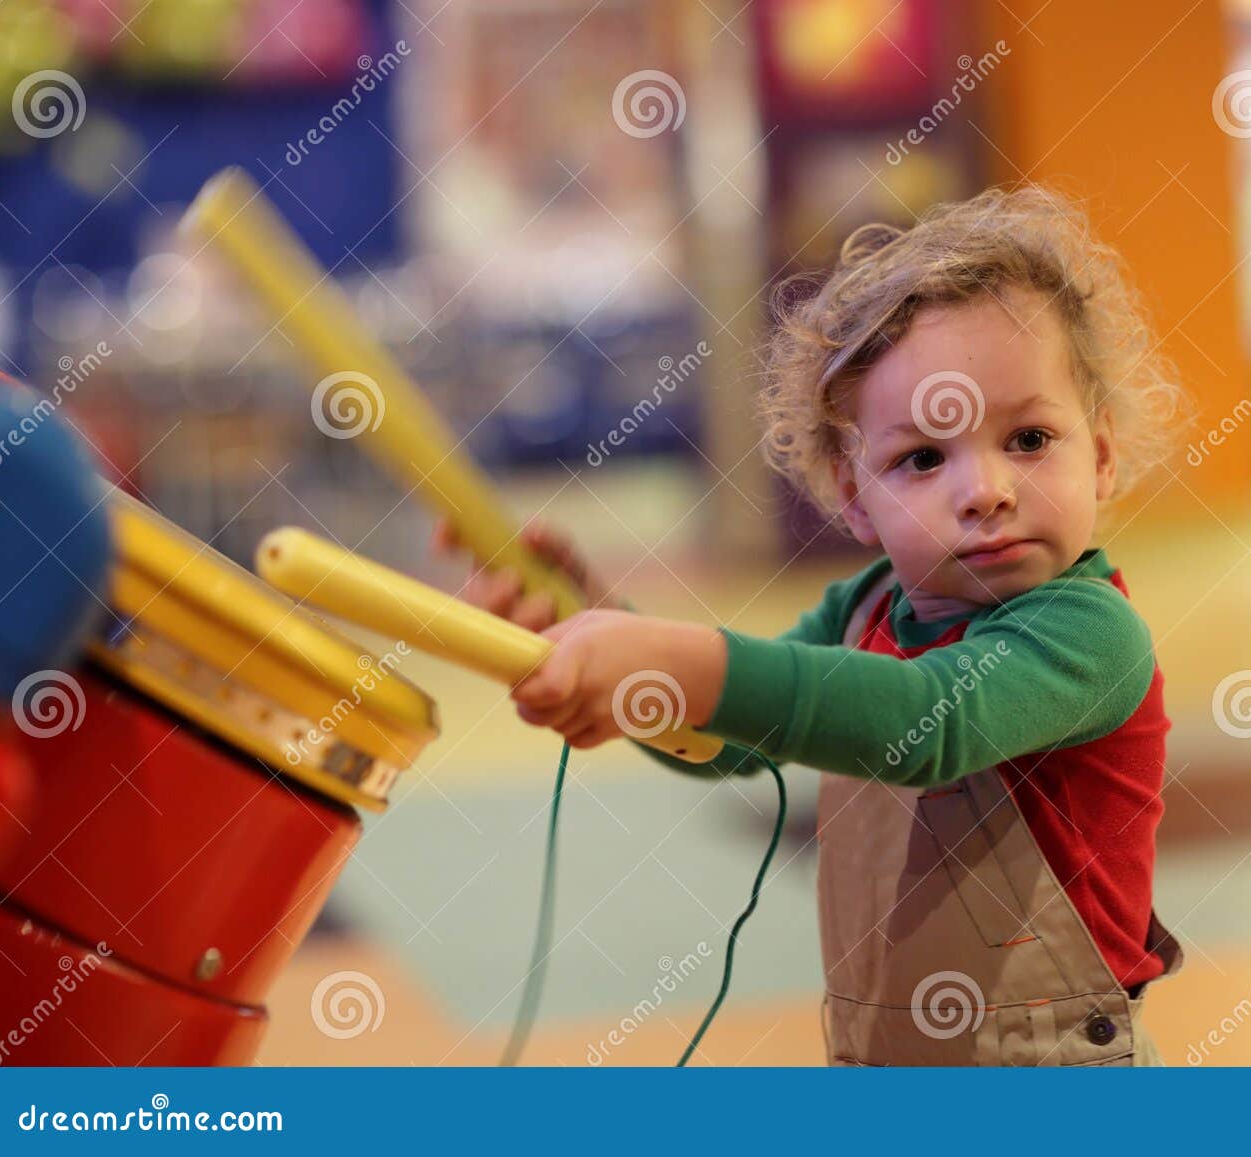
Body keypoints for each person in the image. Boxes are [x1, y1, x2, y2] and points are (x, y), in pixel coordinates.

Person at [441, 184, 1192, 1066]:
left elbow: (927, 719)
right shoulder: (863, 608)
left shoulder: (1089, 633)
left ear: (1099, 455)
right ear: (853, 496)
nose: (985, 491)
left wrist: (673, 658)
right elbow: (729, 741)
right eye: (923, 457)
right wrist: (607, 636)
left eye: (1028, 440)